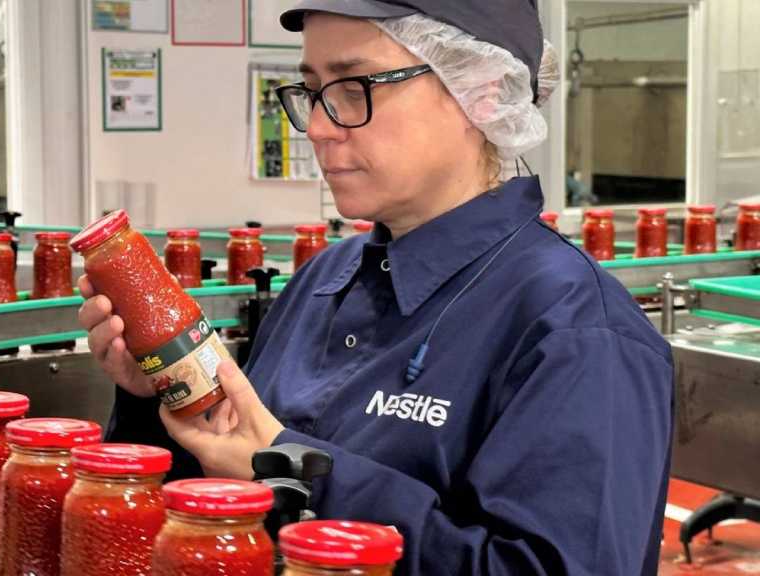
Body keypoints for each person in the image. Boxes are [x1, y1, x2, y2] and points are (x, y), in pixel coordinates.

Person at [77, 1, 673, 574]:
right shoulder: (323, 280)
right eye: (311, 91)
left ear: (482, 91)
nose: (316, 127)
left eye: (353, 87)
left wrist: (292, 470)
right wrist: (160, 399)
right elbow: (219, 513)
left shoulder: (575, 332)